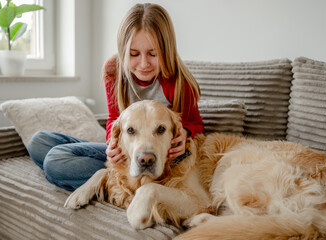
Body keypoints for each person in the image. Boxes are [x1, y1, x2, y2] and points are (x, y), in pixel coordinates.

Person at [27, 3, 203, 192]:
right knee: (39, 141)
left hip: (153, 157)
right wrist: (111, 144)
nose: (143, 64)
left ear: (166, 51)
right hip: (125, 153)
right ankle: (115, 176)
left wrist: (185, 133)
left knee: (54, 163)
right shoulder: (113, 70)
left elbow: (196, 125)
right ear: (123, 50)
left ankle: (119, 183)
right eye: (134, 54)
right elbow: (113, 119)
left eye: (153, 54)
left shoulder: (178, 81)